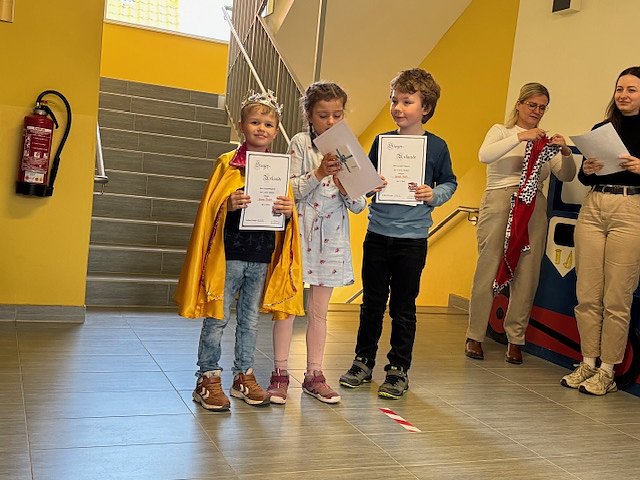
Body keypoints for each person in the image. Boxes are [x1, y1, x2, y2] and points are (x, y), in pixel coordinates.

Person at [174, 90, 304, 411]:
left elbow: (286, 216)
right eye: (255, 122)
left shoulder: (279, 168)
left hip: (260, 255)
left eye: (268, 124)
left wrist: (289, 212)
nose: (262, 128)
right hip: (228, 254)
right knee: (218, 318)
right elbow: (211, 207)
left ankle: (243, 375)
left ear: (276, 130)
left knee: (250, 320)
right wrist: (228, 204)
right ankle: (207, 377)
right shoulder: (227, 164)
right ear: (241, 125)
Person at [339, 68, 457, 399]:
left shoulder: (437, 147)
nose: (398, 108)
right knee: (371, 304)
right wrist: (371, 184)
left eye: (407, 101)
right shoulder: (382, 142)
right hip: (377, 234)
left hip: (412, 240)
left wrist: (433, 194)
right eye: (394, 101)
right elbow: (366, 182)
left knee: (403, 308)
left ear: (426, 107)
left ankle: (398, 369)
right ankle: (363, 362)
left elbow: (450, 183)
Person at [267, 82, 366, 405]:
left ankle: (314, 374)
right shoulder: (300, 143)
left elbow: (359, 205)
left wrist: (346, 186)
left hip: (332, 240)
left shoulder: (350, 148)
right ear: (309, 115)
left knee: (319, 312)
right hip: (299, 236)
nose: (331, 121)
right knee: (287, 309)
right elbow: (289, 190)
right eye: (323, 115)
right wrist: (320, 172)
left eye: (337, 115)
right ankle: (280, 373)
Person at [464, 83, 575, 364]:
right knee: (488, 267)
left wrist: (564, 151)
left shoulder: (544, 142)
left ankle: (516, 339)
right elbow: (484, 155)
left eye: (542, 108)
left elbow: (567, 175)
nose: (537, 111)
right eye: (532, 105)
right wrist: (521, 137)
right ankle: (475, 335)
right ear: (519, 104)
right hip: (501, 199)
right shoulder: (501, 131)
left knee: (528, 273)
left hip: (534, 205)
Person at [561, 66, 640, 395]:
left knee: (617, 297)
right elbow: (584, 177)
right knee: (587, 294)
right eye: (619, 89)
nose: (623, 95)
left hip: (631, 208)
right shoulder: (603, 129)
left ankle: (607, 371)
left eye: (631, 89)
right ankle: (587, 363)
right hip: (594, 206)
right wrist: (588, 169)